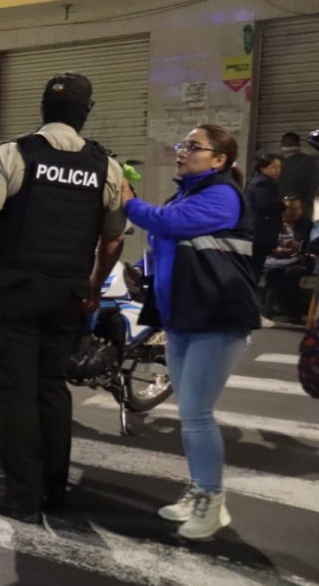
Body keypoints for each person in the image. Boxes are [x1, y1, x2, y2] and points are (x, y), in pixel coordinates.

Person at [0, 72, 126, 524]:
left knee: (15, 393)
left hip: (16, 291)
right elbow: (114, 238)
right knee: (51, 388)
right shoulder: (104, 165)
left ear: (43, 109)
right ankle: (54, 489)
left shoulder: (14, 153)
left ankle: (22, 495)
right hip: (68, 293)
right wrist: (94, 285)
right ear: (84, 113)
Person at [121, 123, 260, 541]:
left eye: (193, 147)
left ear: (219, 160)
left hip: (217, 319)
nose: (182, 152)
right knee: (190, 414)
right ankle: (201, 489)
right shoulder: (188, 193)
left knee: (198, 415)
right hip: (183, 318)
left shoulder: (222, 195)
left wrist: (128, 200)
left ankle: (212, 501)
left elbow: (168, 222)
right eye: (182, 145)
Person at [263, 195, 312, 323]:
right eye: (290, 208)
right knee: (271, 273)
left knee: (291, 273)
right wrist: (276, 249)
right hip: (275, 258)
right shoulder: (273, 223)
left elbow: (311, 245)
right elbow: (266, 242)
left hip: (299, 260)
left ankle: (293, 313)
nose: (295, 212)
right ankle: (272, 310)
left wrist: (298, 245)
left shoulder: (306, 223)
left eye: (298, 209)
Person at [247, 153, 283, 280]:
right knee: (253, 272)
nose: (277, 170)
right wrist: (283, 205)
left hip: (258, 236)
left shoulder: (259, 181)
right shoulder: (263, 183)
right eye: (274, 167)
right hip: (260, 236)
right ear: (263, 168)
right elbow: (266, 205)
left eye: (279, 167)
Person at [277, 131, 319, 219]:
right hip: (280, 207)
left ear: (297, 144)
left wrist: (305, 204)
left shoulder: (306, 161)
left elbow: (314, 185)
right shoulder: (276, 161)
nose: (287, 145)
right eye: (285, 142)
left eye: (290, 143)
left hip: (301, 208)